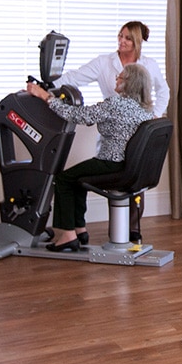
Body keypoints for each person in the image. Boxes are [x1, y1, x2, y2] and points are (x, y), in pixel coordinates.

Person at [26, 63, 154, 250]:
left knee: (64, 179)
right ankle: (79, 229)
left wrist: (44, 96)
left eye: (120, 77)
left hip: (111, 164)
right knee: (78, 178)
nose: (116, 79)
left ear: (129, 83)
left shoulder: (115, 104)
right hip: (129, 167)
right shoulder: (144, 110)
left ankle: (67, 235)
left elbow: (78, 116)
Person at [56, 21, 170, 117]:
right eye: (120, 35)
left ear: (137, 42)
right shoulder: (103, 62)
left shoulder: (150, 65)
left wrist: (155, 115)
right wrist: (47, 86)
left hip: (140, 128)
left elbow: (163, 91)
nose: (121, 41)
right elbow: (74, 77)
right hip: (113, 127)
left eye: (128, 38)